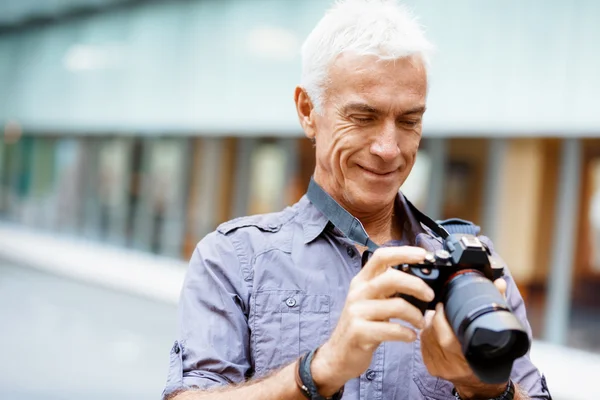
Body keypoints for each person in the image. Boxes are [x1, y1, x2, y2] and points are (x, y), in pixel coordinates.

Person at [163, 0, 551, 399]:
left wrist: (485, 388)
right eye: (363, 117)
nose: (388, 148)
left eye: (409, 121)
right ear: (307, 110)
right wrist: (320, 369)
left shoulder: (476, 271)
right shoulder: (232, 258)